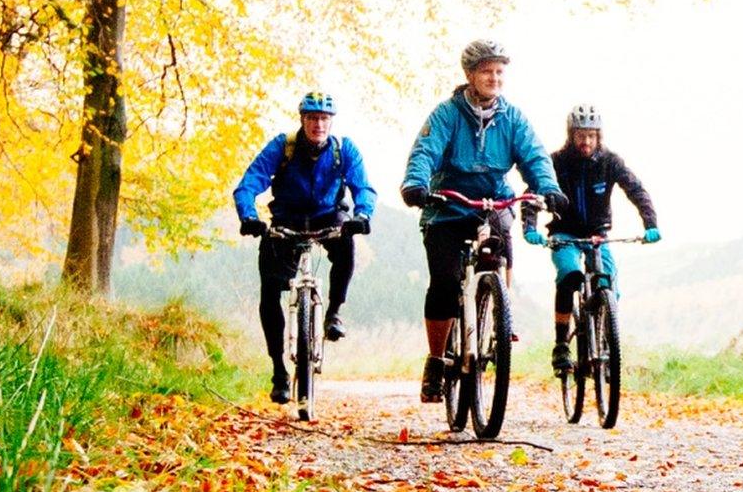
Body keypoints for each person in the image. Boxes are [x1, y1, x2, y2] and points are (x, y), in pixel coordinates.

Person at [399, 39, 567, 401]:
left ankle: (500, 308)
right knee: (444, 283)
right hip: (448, 205)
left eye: (499, 72)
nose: (494, 78)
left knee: (504, 235)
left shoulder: (513, 118)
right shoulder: (446, 115)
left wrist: (548, 188)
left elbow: (534, 156)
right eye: (487, 71)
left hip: (493, 201)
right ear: (470, 75)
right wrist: (416, 184)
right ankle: (436, 360)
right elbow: (425, 151)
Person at [233, 92, 375, 404]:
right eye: (312, 118)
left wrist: (362, 214)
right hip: (287, 219)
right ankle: (279, 372)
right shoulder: (282, 147)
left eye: (324, 119)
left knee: (347, 246)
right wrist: (249, 216)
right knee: (270, 290)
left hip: (328, 215)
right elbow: (250, 182)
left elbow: (362, 186)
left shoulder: (343, 149)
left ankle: (335, 312)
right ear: (303, 120)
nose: (318, 124)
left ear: (331, 122)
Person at [521, 105, 661, 373]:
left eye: (591, 136)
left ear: (599, 136)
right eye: (580, 135)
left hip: (599, 235)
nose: (586, 142)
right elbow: (532, 196)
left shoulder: (610, 162)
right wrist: (530, 227)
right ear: (571, 135)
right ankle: (562, 344)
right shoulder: (556, 163)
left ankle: (606, 345)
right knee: (570, 275)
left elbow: (636, 190)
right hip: (564, 234)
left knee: (608, 285)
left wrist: (650, 223)